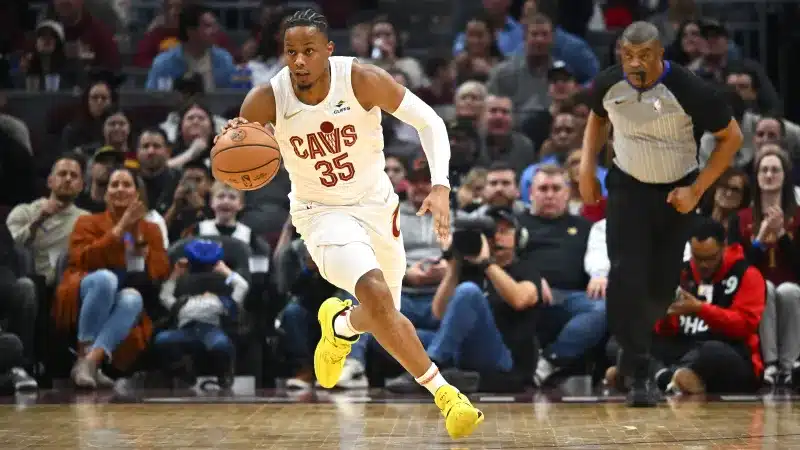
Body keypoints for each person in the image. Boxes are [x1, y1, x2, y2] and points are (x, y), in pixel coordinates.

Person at [217, 9, 483, 439]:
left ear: (328, 51)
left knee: (384, 315)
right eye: (290, 53)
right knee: (376, 294)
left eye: (308, 51)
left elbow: (430, 121)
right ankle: (446, 395)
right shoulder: (266, 99)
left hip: (377, 206)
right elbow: (237, 152)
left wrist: (441, 186)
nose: (299, 61)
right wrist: (232, 142)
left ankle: (339, 327)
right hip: (321, 213)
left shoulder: (361, 79)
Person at [578, 21, 743, 407]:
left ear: (660, 55)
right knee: (626, 273)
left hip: (677, 191)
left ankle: (630, 348)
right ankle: (638, 371)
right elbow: (597, 119)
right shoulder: (608, 83)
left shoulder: (689, 88)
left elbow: (731, 137)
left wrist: (697, 189)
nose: (635, 64)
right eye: (628, 55)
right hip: (627, 186)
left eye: (644, 56)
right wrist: (587, 169)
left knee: (663, 286)